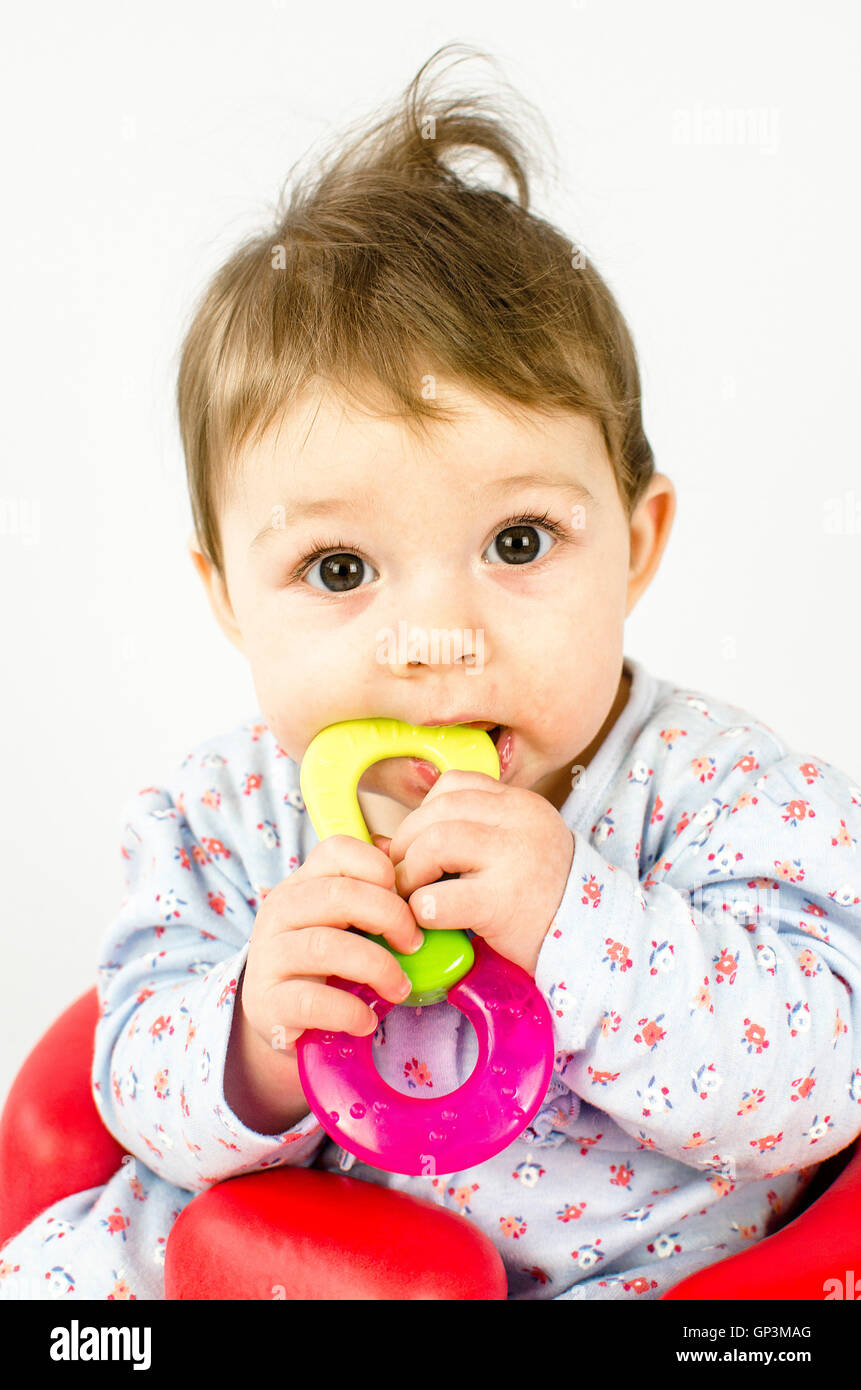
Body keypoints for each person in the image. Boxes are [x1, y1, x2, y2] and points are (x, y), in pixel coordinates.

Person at [2, 43, 860, 1301]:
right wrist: (252, 1041)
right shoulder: (220, 818)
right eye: (340, 568)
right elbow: (125, 1084)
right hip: (292, 1271)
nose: (435, 638)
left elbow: (826, 1077)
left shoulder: (729, 795)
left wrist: (585, 930)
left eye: (518, 542)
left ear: (638, 543)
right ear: (228, 598)